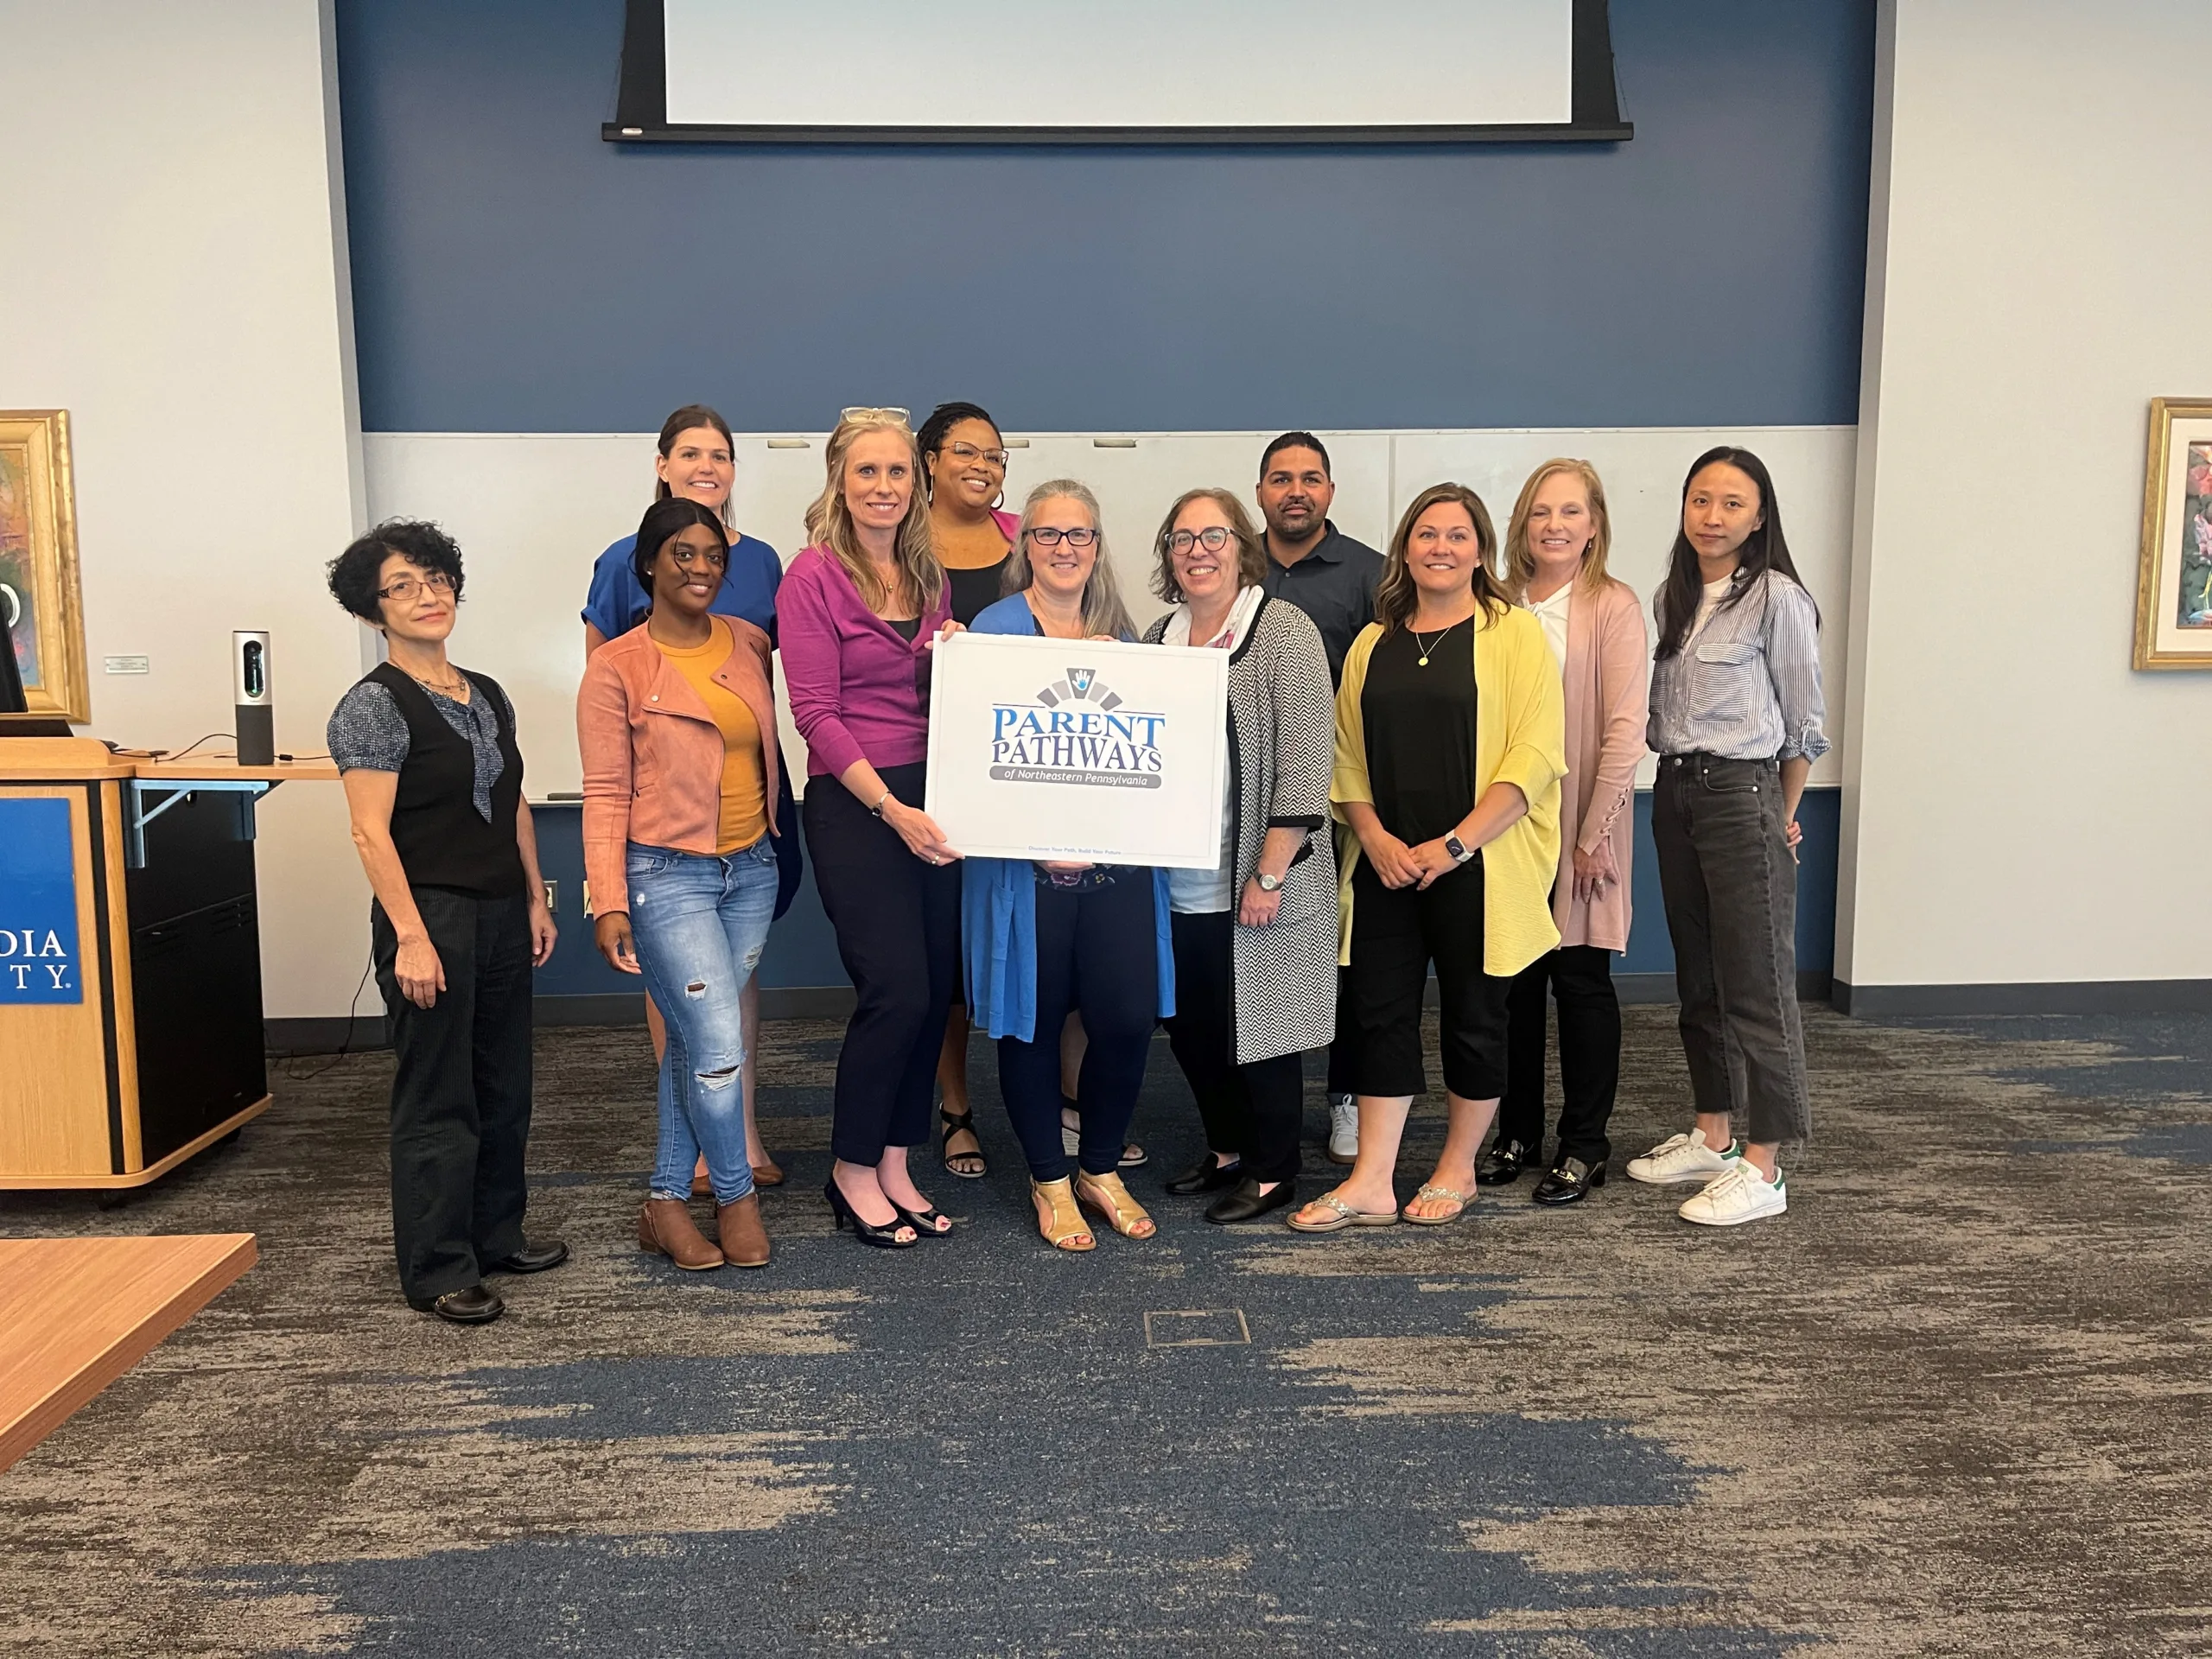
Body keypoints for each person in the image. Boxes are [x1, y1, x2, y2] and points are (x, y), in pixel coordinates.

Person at [1290, 484, 1564, 1235]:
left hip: (1477, 863)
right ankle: (1372, 1180)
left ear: (1481, 550)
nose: (1441, 547)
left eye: (1458, 535)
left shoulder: (1512, 634)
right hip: (1386, 864)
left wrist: (1454, 845)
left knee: (1477, 1019)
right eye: (1426, 534)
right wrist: (1374, 838)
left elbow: (1536, 755)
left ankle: (1456, 1169)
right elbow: (1342, 755)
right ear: (1405, 547)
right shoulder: (1376, 641)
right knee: (1379, 1016)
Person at [327, 520, 564, 1325]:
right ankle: (436, 1267)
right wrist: (412, 937)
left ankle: (496, 1235)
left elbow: (514, 803)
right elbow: (369, 831)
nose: (426, 595)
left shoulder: (487, 691)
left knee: (505, 1087)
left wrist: (537, 896)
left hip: (501, 909)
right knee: (438, 1095)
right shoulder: (373, 706)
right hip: (429, 914)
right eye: (402, 586)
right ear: (372, 610)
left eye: (435, 578)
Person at [580, 403, 795, 1193]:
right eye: (692, 453)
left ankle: (738, 1127)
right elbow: (604, 701)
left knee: (736, 985)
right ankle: (708, 1158)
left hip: (751, 823)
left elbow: (770, 686)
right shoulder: (620, 562)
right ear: (663, 463)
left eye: (722, 455)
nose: (709, 465)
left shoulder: (765, 562)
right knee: (685, 993)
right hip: (666, 837)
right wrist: (606, 888)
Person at [963, 480, 1173, 1250]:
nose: (1063, 548)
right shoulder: (992, 630)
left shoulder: (1124, 637)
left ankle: (1100, 1166)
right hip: (1026, 879)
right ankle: (1050, 1178)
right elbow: (975, 752)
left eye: (1078, 534)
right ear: (1027, 547)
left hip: (1116, 874)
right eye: (1048, 534)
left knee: (1122, 1019)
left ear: (1096, 546)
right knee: (1032, 1024)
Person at [1628, 447, 1827, 1227]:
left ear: (1760, 515)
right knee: (1699, 977)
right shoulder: (1672, 597)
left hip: (1742, 792)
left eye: (1732, 503)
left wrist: (1779, 810)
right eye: (1700, 500)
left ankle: (1766, 1166)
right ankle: (1714, 1132)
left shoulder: (1779, 597)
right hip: (1675, 789)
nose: (1713, 517)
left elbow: (1806, 723)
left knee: (1757, 984)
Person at [781, 408, 962, 1250]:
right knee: (894, 989)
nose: (884, 487)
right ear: (839, 482)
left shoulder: (930, 580)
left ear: (916, 484)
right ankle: (850, 1169)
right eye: (867, 473)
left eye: (897, 473)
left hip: (935, 797)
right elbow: (814, 713)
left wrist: (958, 661)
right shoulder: (810, 578)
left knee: (933, 995)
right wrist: (891, 810)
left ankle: (895, 1161)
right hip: (859, 806)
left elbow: (936, 701)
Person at [1145, 489, 1337, 1225]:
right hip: (1179, 879)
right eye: (1183, 536)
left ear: (1240, 546)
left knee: (1262, 1029)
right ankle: (1226, 1150)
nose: (1198, 549)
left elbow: (1306, 759)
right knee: (1191, 1030)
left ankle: (1273, 1171)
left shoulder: (1281, 631)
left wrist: (1270, 869)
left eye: (1213, 535)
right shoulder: (1158, 637)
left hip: (1262, 874)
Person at [1482, 459, 1648, 1205]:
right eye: (1541, 512)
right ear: (1522, 523)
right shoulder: (1496, 604)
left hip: (1584, 823)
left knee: (1580, 984)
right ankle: (1516, 1131)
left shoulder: (1612, 605)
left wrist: (1591, 837)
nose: (1554, 525)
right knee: (1512, 987)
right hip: (1511, 827)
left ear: (1594, 526)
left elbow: (1624, 728)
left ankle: (1584, 1144)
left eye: (1570, 513)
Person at [1254, 431, 1384, 1167]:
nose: (1295, 490)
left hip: (1345, 797)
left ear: (1330, 491)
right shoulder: (1235, 567)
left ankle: (1346, 1098)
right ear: (1262, 491)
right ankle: (1263, 1099)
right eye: (1280, 478)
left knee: (1348, 957)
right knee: (1265, 946)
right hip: (1251, 800)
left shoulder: (1369, 575)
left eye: (1310, 478)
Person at [918, 401, 1020, 1181]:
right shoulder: (899, 541)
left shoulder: (1025, 536)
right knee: (946, 953)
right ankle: (956, 1111)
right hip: (930, 771)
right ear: (929, 459)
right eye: (965, 452)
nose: (982, 465)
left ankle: (1065, 1101)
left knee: (1040, 932)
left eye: (994, 454)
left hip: (1022, 766)